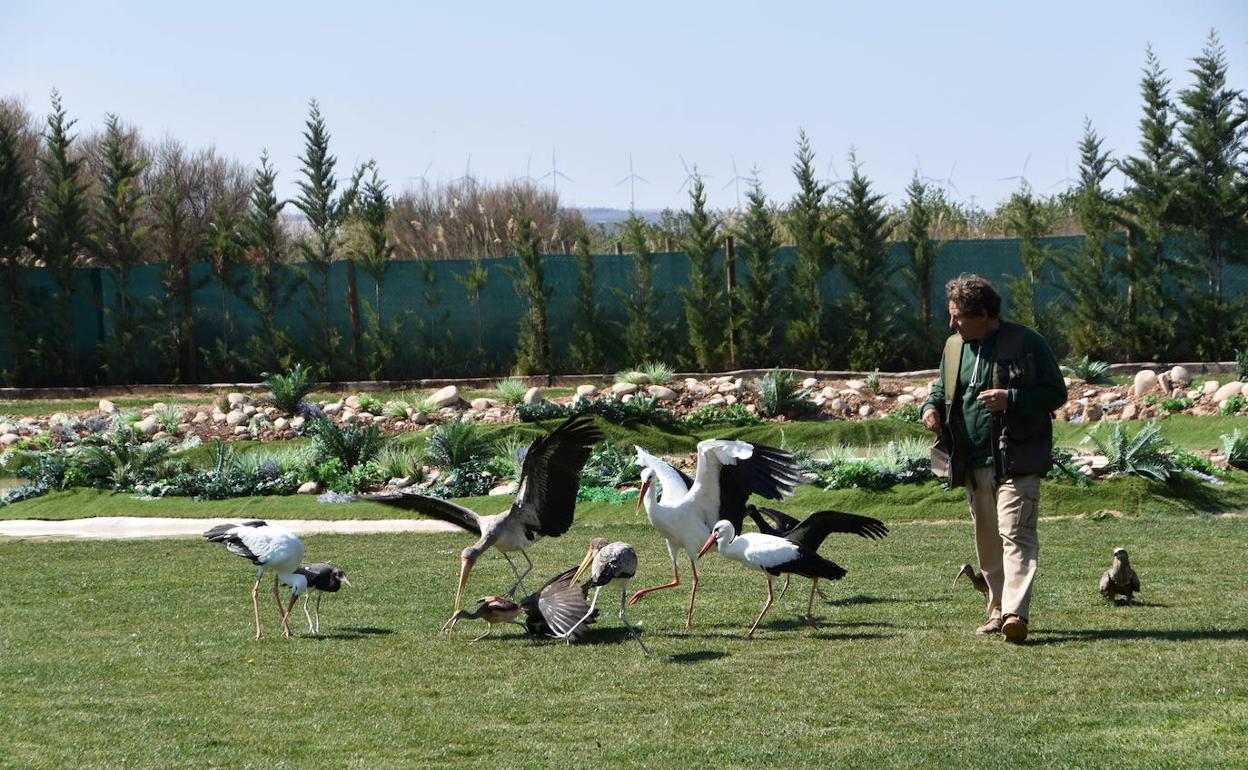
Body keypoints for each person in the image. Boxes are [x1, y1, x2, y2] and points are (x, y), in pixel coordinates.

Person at [921, 274, 1067, 643]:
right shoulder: (954, 348)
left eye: (958, 317)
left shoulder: (1026, 341)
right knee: (988, 541)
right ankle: (998, 608)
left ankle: (1015, 614)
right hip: (972, 462)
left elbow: (1056, 393)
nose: (951, 324)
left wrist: (1013, 400)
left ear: (983, 313)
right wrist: (930, 408)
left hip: (1018, 457)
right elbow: (940, 389)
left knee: (1016, 535)